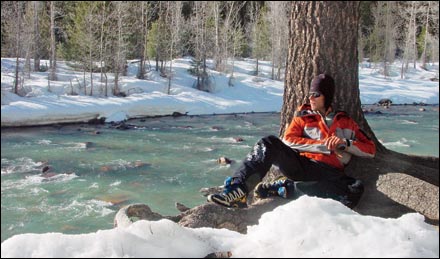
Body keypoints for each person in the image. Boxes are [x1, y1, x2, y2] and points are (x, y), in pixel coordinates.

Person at [207, 74, 376, 209]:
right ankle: (238, 189)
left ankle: (287, 189)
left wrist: (345, 143)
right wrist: (323, 146)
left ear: (327, 96)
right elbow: (288, 140)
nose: (311, 98)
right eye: (310, 94)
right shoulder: (303, 117)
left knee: (354, 189)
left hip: (330, 172)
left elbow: (370, 149)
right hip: (302, 165)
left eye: (316, 94)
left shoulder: (346, 122)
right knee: (268, 143)